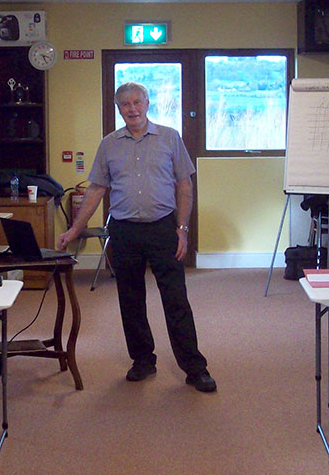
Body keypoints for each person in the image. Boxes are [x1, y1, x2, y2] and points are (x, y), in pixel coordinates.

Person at [58, 82, 216, 392]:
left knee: (176, 300)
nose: (132, 109)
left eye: (137, 102)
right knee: (130, 300)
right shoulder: (109, 144)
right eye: (125, 105)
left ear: (147, 103)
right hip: (124, 230)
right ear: (119, 109)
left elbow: (184, 185)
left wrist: (182, 229)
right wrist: (75, 229)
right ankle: (143, 360)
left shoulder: (170, 138)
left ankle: (195, 368)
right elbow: (96, 189)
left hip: (162, 228)